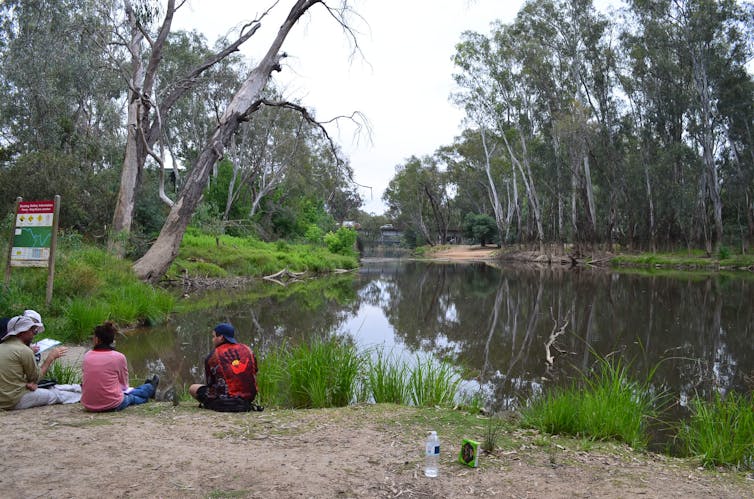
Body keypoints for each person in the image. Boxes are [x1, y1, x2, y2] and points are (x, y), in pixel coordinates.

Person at [0, 315, 81, 410]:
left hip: (5, 397)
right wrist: (50, 358)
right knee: (54, 395)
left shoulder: (2, 346)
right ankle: (84, 396)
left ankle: (78, 388)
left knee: (50, 388)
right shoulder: (24, 350)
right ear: (23, 332)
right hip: (13, 400)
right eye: (33, 330)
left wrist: (27, 384)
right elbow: (36, 378)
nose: (34, 334)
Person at [81, 321, 159, 412]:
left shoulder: (87, 356)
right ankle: (149, 388)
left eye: (93, 337)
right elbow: (124, 385)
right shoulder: (118, 357)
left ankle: (148, 388)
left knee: (125, 394)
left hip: (88, 404)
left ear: (97, 340)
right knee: (131, 398)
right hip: (111, 404)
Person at [189, 323, 259, 412]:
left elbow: (210, 383)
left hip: (224, 402)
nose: (212, 339)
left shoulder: (213, 356)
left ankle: (215, 404)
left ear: (221, 337)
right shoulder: (248, 350)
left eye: (214, 336)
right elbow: (254, 372)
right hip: (247, 400)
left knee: (193, 388)